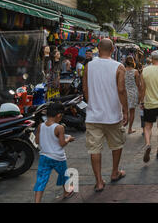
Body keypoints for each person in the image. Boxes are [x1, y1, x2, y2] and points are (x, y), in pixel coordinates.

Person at [82, 38, 128, 192]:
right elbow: (121, 90)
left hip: (93, 116)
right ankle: (115, 172)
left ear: (98, 48)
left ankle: (99, 181)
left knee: (94, 149)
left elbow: (85, 89)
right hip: (113, 115)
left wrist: (92, 104)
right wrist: (126, 110)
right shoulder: (119, 67)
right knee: (117, 144)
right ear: (113, 49)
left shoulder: (89, 66)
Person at [33, 102, 75, 203]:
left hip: (44, 157)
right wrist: (68, 139)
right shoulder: (59, 127)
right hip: (58, 158)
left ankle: (37, 201)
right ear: (59, 115)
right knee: (64, 174)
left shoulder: (40, 126)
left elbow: (37, 141)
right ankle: (66, 192)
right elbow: (62, 144)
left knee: (41, 179)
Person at [125, 56, 142, 134]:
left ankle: (122, 128)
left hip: (124, 92)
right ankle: (130, 129)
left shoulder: (122, 71)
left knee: (124, 111)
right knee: (132, 112)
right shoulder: (135, 72)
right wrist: (140, 96)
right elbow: (138, 85)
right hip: (133, 92)